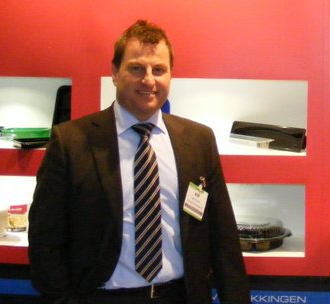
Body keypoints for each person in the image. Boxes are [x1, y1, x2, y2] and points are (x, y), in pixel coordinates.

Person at [29, 20, 250, 304]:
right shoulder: (71, 142)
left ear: (170, 75)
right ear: (114, 72)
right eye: (136, 68)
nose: (148, 80)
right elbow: (45, 240)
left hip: (180, 296)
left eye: (159, 70)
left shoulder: (198, 141)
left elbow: (223, 237)